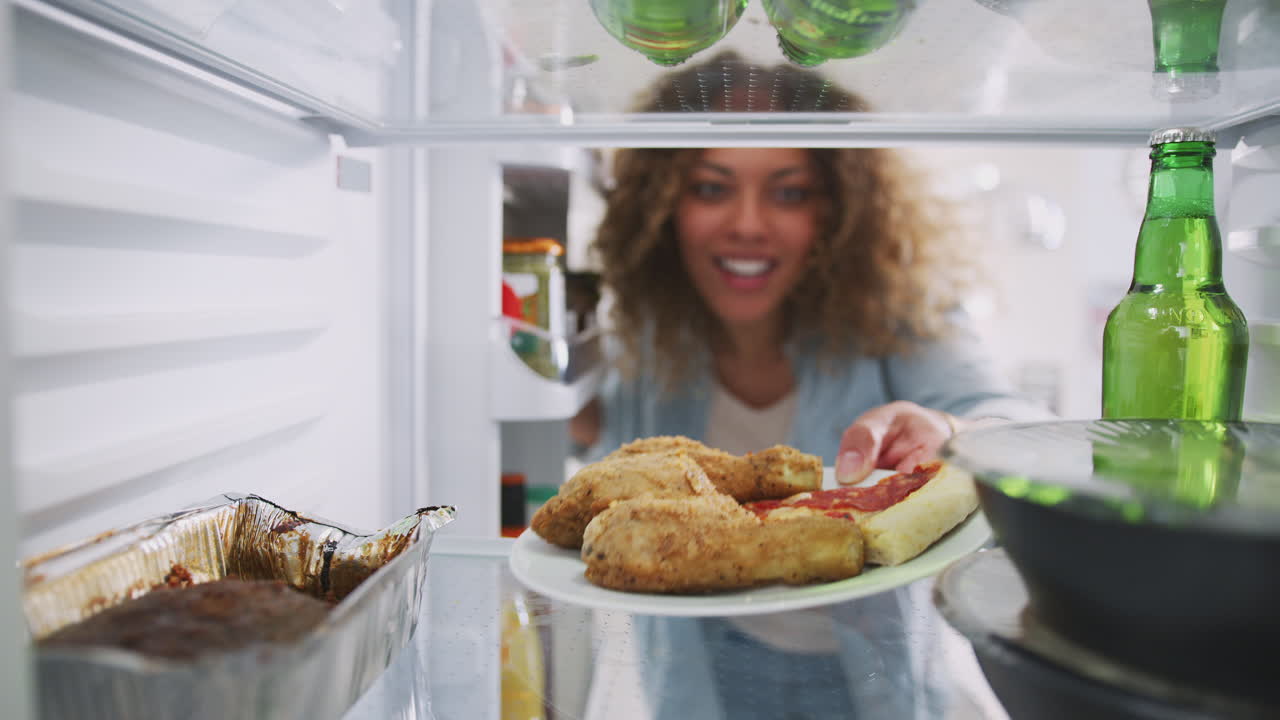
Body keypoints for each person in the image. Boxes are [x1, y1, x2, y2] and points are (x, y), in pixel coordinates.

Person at [570, 51, 1053, 719]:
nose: (747, 222)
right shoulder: (652, 340)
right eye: (711, 187)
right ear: (662, 204)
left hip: (875, 679)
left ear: (838, 207)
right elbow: (609, 444)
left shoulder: (898, 317)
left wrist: (952, 432)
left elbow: (1015, 423)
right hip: (705, 672)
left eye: (789, 191)